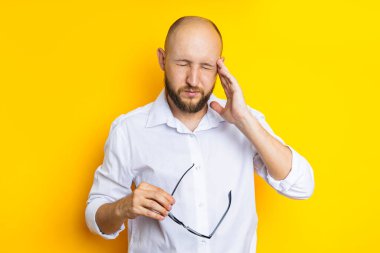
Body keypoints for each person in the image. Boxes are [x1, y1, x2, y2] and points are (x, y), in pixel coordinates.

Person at [85, 15, 315, 253]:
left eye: (206, 66)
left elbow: (301, 186)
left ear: (220, 66)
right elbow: (95, 215)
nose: (193, 80)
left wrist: (245, 121)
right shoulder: (128, 130)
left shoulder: (246, 122)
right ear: (162, 59)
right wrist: (123, 207)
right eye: (183, 63)